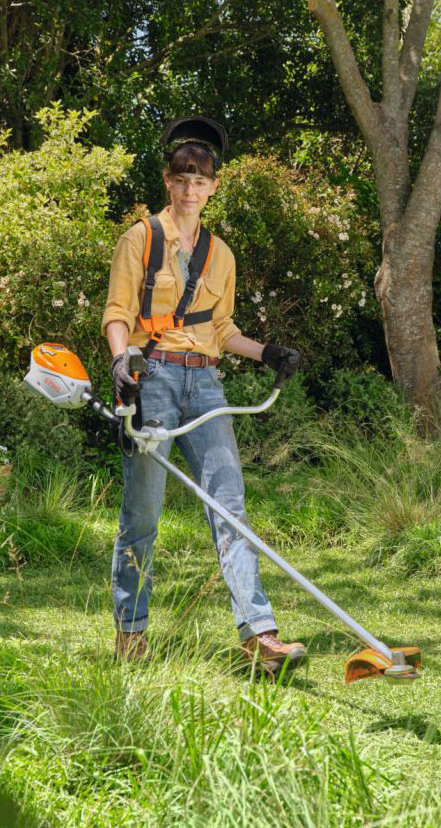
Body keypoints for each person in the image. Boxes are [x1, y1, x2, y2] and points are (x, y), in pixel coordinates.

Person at [101, 115, 305, 672]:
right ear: (168, 181)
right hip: (155, 378)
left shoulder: (221, 254)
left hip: (207, 383)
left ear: (214, 186)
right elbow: (118, 314)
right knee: (141, 514)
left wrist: (267, 353)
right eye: (182, 178)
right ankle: (132, 632)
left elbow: (222, 329)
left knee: (230, 509)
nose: (191, 189)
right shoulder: (140, 239)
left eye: (201, 181)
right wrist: (123, 361)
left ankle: (260, 637)